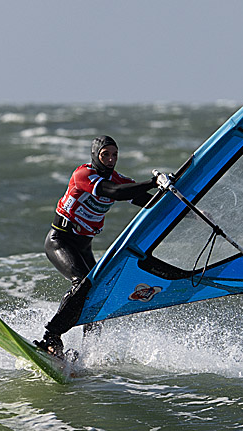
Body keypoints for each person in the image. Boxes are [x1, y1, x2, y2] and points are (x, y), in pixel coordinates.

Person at [34, 136, 158, 358]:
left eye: (114, 155)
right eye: (105, 155)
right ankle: (51, 338)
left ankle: (89, 352)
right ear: (95, 156)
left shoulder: (118, 179)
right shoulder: (83, 175)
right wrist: (152, 182)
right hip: (60, 240)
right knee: (81, 284)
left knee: (98, 295)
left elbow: (148, 201)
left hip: (84, 246)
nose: (111, 159)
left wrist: (185, 207)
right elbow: (115, 193)